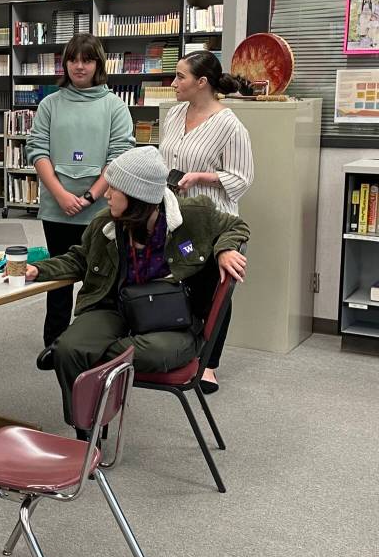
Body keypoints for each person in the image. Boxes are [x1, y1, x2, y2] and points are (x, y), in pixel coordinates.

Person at [21, 147, 250, 432]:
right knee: (71, 349)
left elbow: (236, 225)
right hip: (116, 308)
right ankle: (85, 432)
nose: (106, 195)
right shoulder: (105, 222)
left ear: (136, 197)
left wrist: (225, 248)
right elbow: (79, 258)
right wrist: (38, 270)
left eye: (113, 189)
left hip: (171, 318)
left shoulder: (194, 215)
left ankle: (81, 355)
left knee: (152, 353)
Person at [25, 33, 135, 347]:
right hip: (56, 208)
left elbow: (118, 157)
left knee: (100, 278)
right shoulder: (50, 104)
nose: (79, 66)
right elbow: (37, 151)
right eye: (73, 59)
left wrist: (90, 197)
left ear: (98, 63)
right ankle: (54, 344)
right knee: (58, 277)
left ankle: (93, 342)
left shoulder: (114, 106)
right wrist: (61, 195)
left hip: (100, 210)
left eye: (86, 60)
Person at [161, 50, 255, 394]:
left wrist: (201, 177)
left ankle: (209, 365)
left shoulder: (230, 124)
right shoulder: (173, 115)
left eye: (180, 77)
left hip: (214, 222)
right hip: (177, 217)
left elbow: (242, 179)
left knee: (211, 292)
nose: (173, 83)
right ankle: (183, 353)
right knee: (181, 286)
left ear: (202, 83)